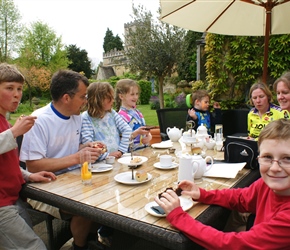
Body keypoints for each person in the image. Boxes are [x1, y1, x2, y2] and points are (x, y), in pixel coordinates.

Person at [155, 118, 290, 249]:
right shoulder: (266, 185)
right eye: (267, 157)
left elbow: (233, 245)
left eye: (287, 158)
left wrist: (178, 216)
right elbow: (241, 198)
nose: (274, 168)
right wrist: (202, 194)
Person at [20, 69, 103, 250]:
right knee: (87, 205)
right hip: (44, 186)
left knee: (105, 191)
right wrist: (76, 158)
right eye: (83, 97)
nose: (86, 101)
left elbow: (69, 149)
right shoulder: (40, 120)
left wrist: (86, 148)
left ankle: (91, 239)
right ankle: (80, 246)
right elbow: (33, 166)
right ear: (66, 98)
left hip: (72, 179)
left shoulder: (75, 118)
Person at [0, 63, 56, 250]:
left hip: (13, 197)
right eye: (9, 88)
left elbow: (7, 164)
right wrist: (14, 132)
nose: (17, 94)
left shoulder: (5, 121)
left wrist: (28, 176)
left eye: (20, 89)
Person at [80, 81, 132, 160]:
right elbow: (88, 144)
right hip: (99, 164)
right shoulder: (86, 118)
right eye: (109, 98)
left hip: (117, 159)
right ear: (98, 100)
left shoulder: (112, 114)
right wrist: (107, 156)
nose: (113, 100)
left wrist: (121, 151)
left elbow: (127, 130)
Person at [115, 79, 152, 151]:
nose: (135, 97)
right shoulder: (120, 117)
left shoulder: (138, 113)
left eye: (137, 94)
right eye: (132, 94)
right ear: (121, 96)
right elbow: (120, 139)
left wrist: (149, 136)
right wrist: (137, 132)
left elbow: (144, 130)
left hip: (144, 151)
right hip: (130, 155)